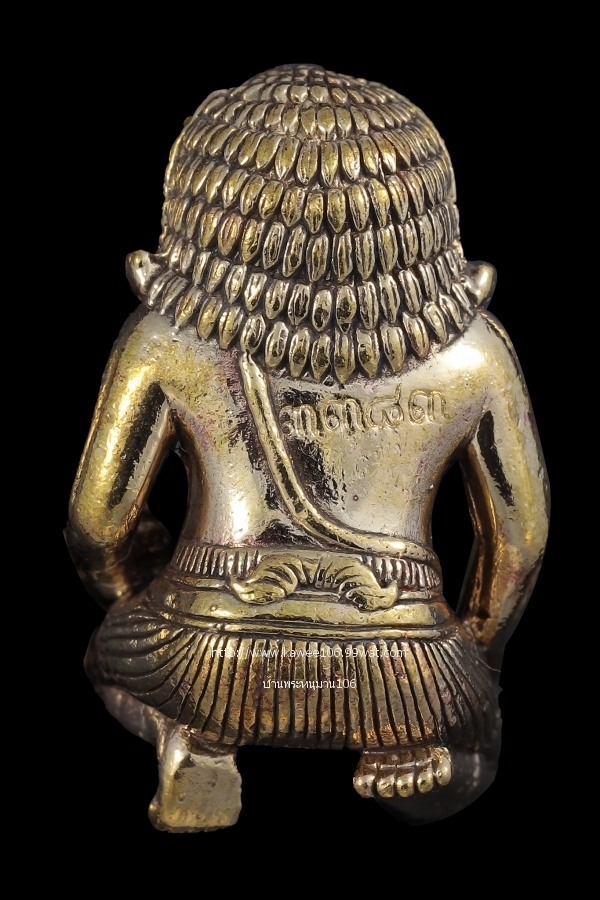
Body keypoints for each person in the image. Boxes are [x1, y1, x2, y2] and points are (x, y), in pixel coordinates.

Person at [66, 65, 549, 831]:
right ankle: (415, 740)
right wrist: (471, 658)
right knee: (463, 730)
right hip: (406, 662)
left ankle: (195, 737)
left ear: (209, 207)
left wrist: (133, 595)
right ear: (422, 209)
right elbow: (520, 542)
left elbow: (95, 524)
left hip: (208, 650)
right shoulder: (473, 354)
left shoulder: (167, 341)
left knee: (113, 664)